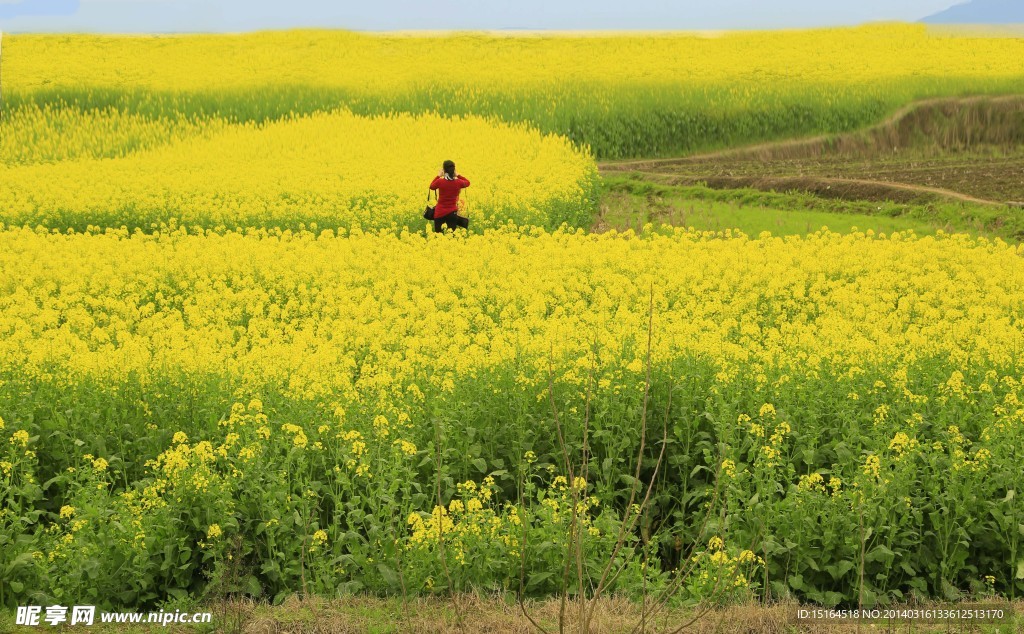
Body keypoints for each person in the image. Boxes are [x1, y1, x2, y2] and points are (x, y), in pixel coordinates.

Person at [429, 160, 470, 233]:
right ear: (454, 170)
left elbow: (431, 186)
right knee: (451, 237)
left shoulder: (440, 181)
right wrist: (458, 175)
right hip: (452, 214)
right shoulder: (458, 182)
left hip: (439, 213)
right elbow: (467, 182)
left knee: (438, 237)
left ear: (444, 170)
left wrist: (438, 175)